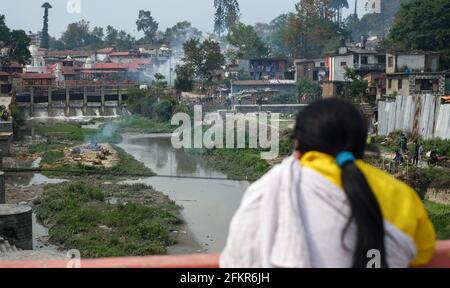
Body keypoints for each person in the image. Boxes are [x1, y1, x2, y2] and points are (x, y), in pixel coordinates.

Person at [220, 98, 435, 268]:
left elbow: (237, 261)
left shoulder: (270, 188)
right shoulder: (402, 195)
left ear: (297, 144)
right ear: (361, 143)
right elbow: (423, 253)